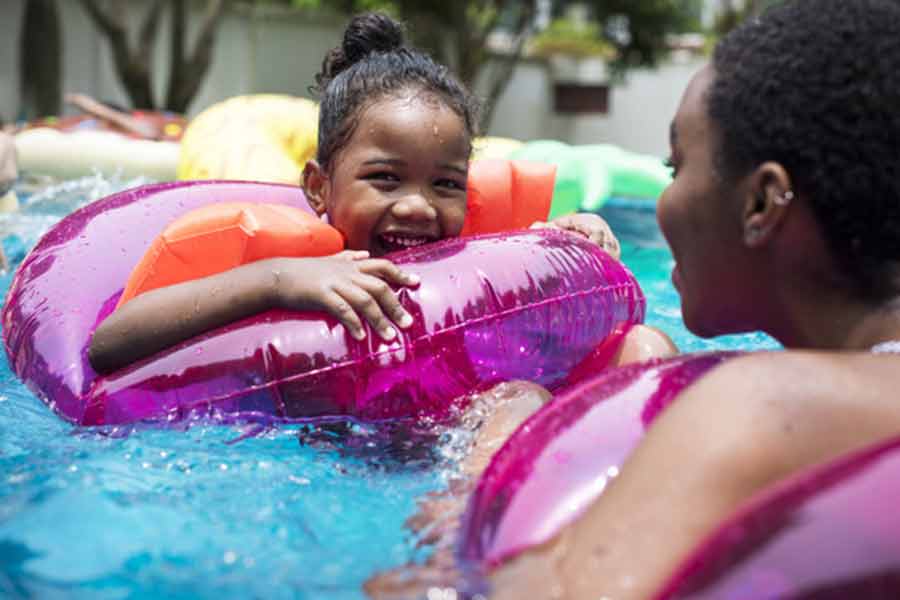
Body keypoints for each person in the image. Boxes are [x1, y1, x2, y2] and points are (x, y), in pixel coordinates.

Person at [366, 1, 900, 598]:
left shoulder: (759, 405)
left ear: (760, 203)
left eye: (675, 166)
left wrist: (489, 458)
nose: (665, 202)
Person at [88, 13, 669, 375]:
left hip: (447, 418)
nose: (418, 206)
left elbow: (523, 266)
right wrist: (282, 279)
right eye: (385, 179)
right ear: (319, 188)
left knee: (649, 344)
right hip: (330, 443)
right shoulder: (284, 266)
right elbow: (108, 345)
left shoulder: (473, 252)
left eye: (446, 185)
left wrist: (565, 237)